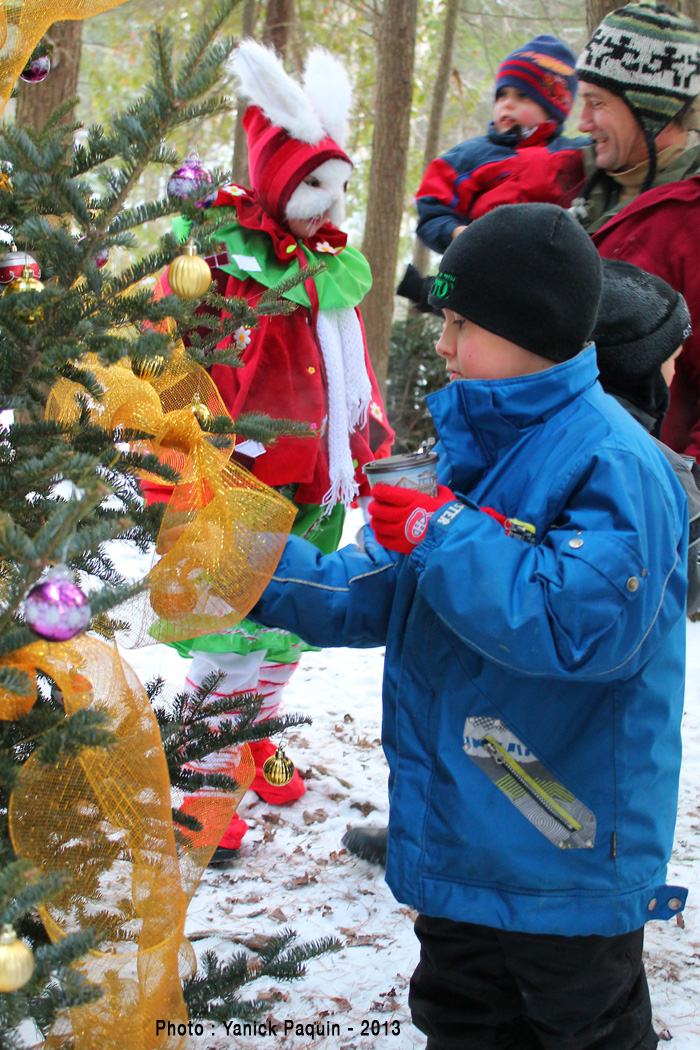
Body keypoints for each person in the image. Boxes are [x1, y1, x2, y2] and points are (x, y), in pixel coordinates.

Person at [248, 203, 688, 1050]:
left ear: (534, 331)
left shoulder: (616, 463)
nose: (443, 345)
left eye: (462, 325)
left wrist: (441, 528)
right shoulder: (469, 449)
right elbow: (366, 589)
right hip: (460, 842)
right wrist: (234, 556)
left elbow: (579, 628)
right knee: (461, 1021)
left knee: (585, 1031)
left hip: (564, 851)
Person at [150, 40, 393, 861]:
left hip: (313, 486)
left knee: (286, 633)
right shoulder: (217, 261)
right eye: (313, 186)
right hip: (237, 483)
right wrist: (176, 462)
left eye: (339, 187)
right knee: (230, 641)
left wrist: (371, 451)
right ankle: (201, 796)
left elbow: (354, 376)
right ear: (276, 178)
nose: (329, 206)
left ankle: (251, 742)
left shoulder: (330, 270)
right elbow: (172, 360)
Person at [567, 1, 700, 461]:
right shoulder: (585, 190)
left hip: (645, 486)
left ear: (650, 108)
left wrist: (684, 490)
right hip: (570, 473)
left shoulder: (690, 221)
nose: (583, 122)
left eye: (597, 103)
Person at [412, 35, 587, 257]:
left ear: (552, 109)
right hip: (485, 262)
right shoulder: (470, 157)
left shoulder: (574, 153)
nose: (507, 104)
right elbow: (433, 210)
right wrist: (461, 235)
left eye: (523, 96)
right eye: (502, 95)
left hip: (555, 265)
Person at [593, 258, 700, 616]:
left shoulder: (550, 431)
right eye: (672, 360)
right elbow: (689, 589)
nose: (675, 373)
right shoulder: (659, 468)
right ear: (642, 366)